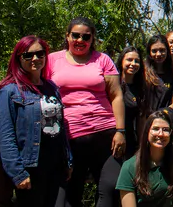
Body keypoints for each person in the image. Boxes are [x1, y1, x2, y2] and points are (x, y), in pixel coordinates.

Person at [48, 17, 126, 207]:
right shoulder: (52, 60)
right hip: (69, 139)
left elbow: (116, 95)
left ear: (92, 39)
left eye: (86, 36)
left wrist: (120, 131)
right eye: (75, 35)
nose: (80, 40)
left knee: (110, 189)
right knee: (71, 194)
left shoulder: (103, 60)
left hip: (105, 135)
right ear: (67, 36)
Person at [0, 36, 71, 207]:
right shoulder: (10, 91)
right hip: (31, 168)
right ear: (19, 59)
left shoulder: (52, 87)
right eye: (28, 55)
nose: (35, 59)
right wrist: (17, 173)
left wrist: (68, 159)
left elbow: (61, 127)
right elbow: (5, 136)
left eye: (40, 54)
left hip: (57, 165)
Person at [100, 46, 145, 207]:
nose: (133, 63)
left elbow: (141, 119)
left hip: (131, 144)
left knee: (126, 187)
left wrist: (141, 147)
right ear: (121, 61)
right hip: (110, 140)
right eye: (129, 60)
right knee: (108, 187)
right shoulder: (112, 83)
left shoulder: (140, 88)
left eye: (137, 61)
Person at [116, 110, 173, 206]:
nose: (160, 134)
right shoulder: (129, 167)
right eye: (156, 129)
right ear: (147, 132)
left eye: (165, 130)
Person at [142, 35, 173, 129]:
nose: (158, 54)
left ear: (167, 51)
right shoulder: (142, 73)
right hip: (144, 122)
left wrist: (161, 116)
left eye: (162, 50)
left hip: (164, 122)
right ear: (149, 52)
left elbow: (172, 104)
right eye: (154, 51)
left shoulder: (172, 75)